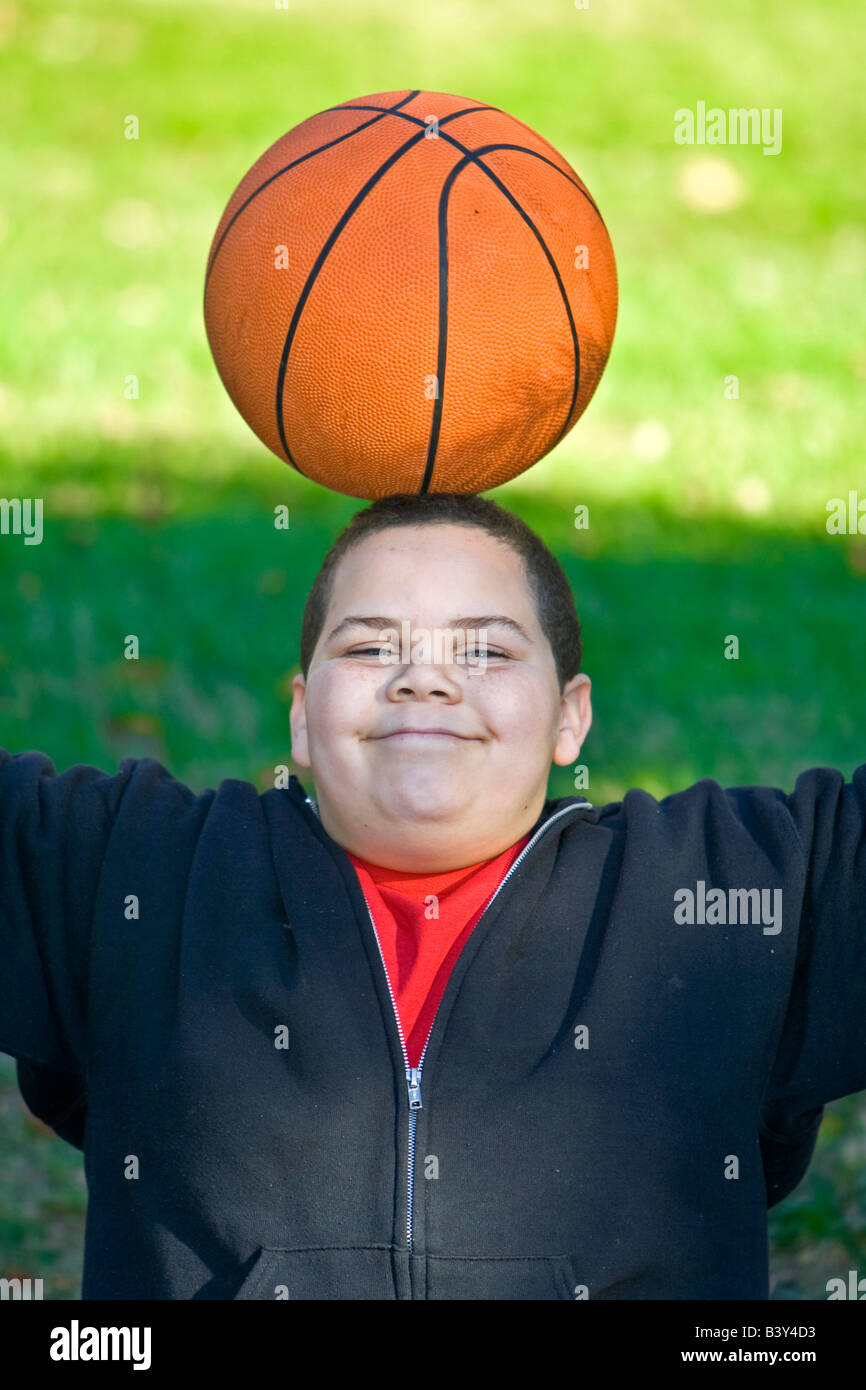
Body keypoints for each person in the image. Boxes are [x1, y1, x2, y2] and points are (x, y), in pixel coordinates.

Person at [1, 490, 863, 1300]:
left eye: (485, 649)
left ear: (571, 717)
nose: (425, 679)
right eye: (371, 645)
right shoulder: (137, 874)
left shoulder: (723, 892)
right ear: (302, 714)